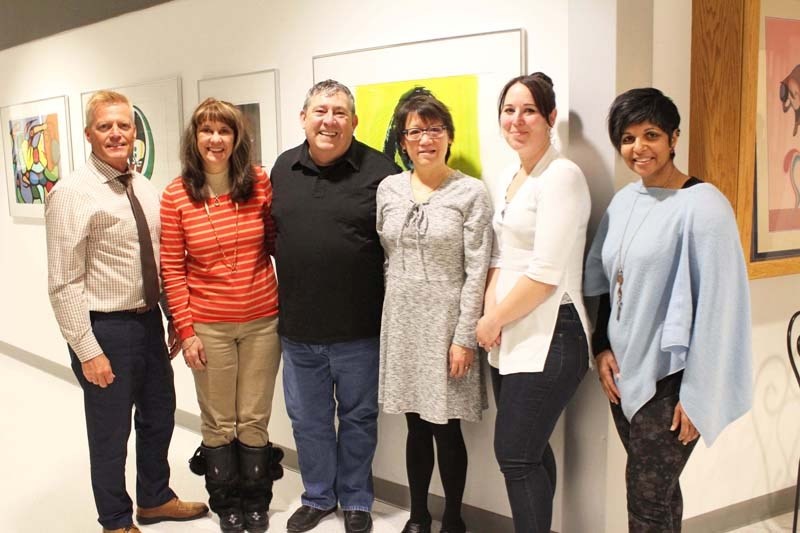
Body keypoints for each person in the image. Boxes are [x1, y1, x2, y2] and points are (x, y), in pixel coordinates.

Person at [584, 87, 753, 532]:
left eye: (651, 134)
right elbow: (603, 281)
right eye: (627, 137)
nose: (639, 148)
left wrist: (699, 395)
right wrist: (600, 347)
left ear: (674, 138)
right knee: (660, 495)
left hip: (673, 381)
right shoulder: (624, 201)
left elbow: (722, 309)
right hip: (624, 373)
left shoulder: (704, 205)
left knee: (646, 500)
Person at [45, 90, 208, 533]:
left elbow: (161, 260)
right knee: (110, 432)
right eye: (105, 126)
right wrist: (86, 350)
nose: (116, 133)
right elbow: (63, 283)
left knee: (160, 414)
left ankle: (154, 499)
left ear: (135, 131)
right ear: (88, 134)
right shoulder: (72, 193)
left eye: (123, 125)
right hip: (106, 328)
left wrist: (175, 316)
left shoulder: (143, 184)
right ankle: (115, 520)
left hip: (148, 322)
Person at [270, 79, 400, 533]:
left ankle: (358, 499)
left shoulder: (381, 172)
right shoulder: (283, 168)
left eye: (340, 112)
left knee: (359, 419)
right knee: (308, 422)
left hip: (360, 329)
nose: (330, 120)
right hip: (299, 329)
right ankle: (319, 496)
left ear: (354, 121)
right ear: (303, 117)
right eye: (321, 111)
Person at [160, 98, 283, 533]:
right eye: (206, 131)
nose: (215, 139)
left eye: (224, 131)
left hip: (262, 320)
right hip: (208, 326)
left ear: (237, 138)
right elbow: (172, 269)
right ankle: (225, 500)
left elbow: (276, 244)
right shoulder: (177, 194)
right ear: (194, 139)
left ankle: (256, 499)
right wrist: (186, 331)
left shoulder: (260, 185)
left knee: (253, 417)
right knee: (218, 419)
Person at [476, 72, 592, 533]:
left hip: (553, 331)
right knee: (532, 450)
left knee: (515, 454)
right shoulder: (510, 175)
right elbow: (501, 255)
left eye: (528, 111)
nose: (517, 120)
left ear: (550, 117)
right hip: (511, 330)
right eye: (509, 110)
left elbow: (546, 273)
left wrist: (492, 320)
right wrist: (490, 316)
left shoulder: (562, 176)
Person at [377, 89, 493, 533]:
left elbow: (477, 269)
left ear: (448, 136)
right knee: (414, 425)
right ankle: (420, 516)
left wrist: (464, 337)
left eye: (435, 129)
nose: (426, 138)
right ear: (403, 141)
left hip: (448, 322)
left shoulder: (470, 193)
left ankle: (454, 520)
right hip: (402, 319)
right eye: (416, 131)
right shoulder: (388, 188)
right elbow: (386, 255)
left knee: (446, 428)